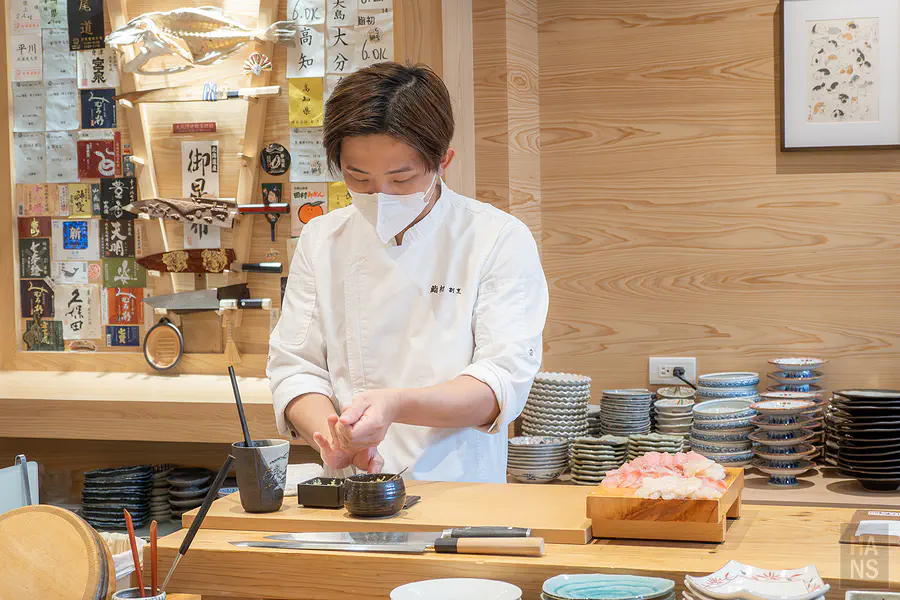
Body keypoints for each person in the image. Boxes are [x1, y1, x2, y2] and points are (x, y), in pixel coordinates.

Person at [267, 62, 548, 483]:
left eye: (400, 180)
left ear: (443, 161)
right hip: (350, 494)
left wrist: (395, 405)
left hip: (461, 494)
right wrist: (333, 438)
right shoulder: (323, 238)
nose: (380, 196)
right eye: (359, 178)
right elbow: (295, 367)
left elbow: (500, 383)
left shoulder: (496, 238)